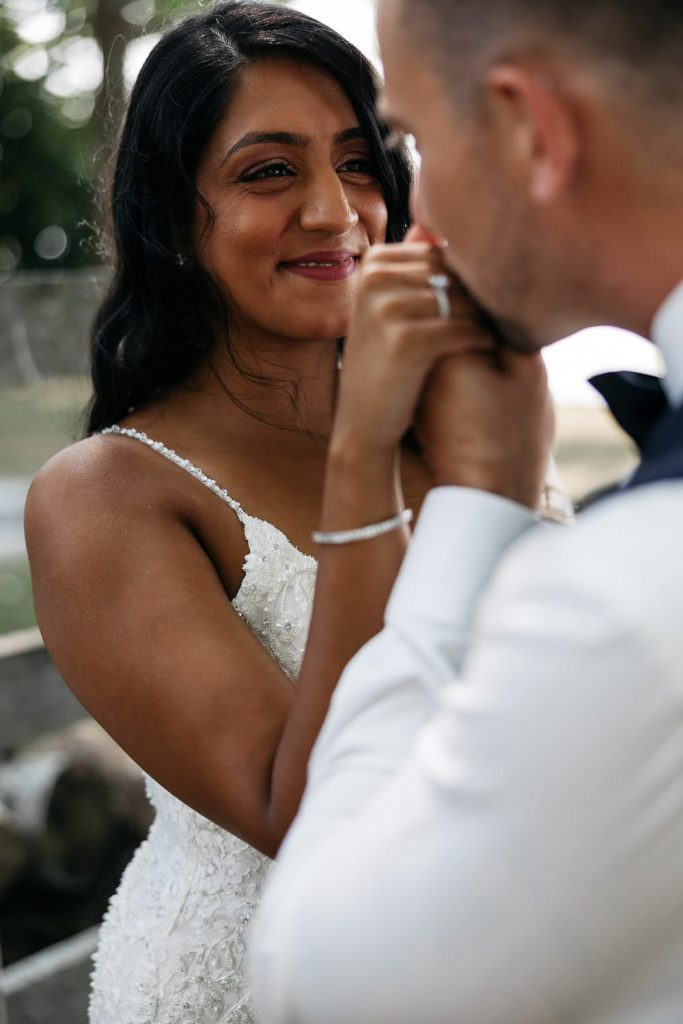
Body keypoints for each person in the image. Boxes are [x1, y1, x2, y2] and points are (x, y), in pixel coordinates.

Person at [249, 1, 683, 1021]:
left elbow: (324, 990)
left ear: (532, 131)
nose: (406, 203)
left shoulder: (624, 600)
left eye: (407, 144)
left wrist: (471, 507)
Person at [22, 3, 438, 1020]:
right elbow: (299, 812)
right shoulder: (108, 496)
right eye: (268, 171)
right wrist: (363, 452)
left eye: (355, 162)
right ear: (173, 214)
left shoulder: (452, 422)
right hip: (251, 987)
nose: (335, 211)